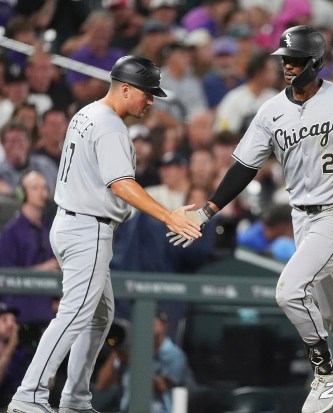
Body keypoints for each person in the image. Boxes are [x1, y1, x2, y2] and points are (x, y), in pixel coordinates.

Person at [166, 26, 333, 413]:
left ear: (316, 63)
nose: (287, 66)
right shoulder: (271, 110)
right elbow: (244, 166)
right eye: (284, 60)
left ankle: (326, 372)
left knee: (289, 291)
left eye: (295, 61)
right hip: (303, 218)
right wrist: (208, 209)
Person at [7, 55, 202, 413]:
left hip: (71, 223)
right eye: (146, 92)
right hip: (88, 228)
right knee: (75, 313)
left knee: (99, 315)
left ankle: (75, 399)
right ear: (125, 88)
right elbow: (122, 185)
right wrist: (167, 216)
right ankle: (29, 395)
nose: (151, 100)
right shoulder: (110, 125)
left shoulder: (86, 112)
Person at [0, 170, 58, 324]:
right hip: (21, 305)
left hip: (50, 302)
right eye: (35, 188)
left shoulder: (52, 228)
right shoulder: (11, 232)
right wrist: (44, 269)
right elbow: (6, 277)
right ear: (22, 193)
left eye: (44, 188)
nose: (42, 193)